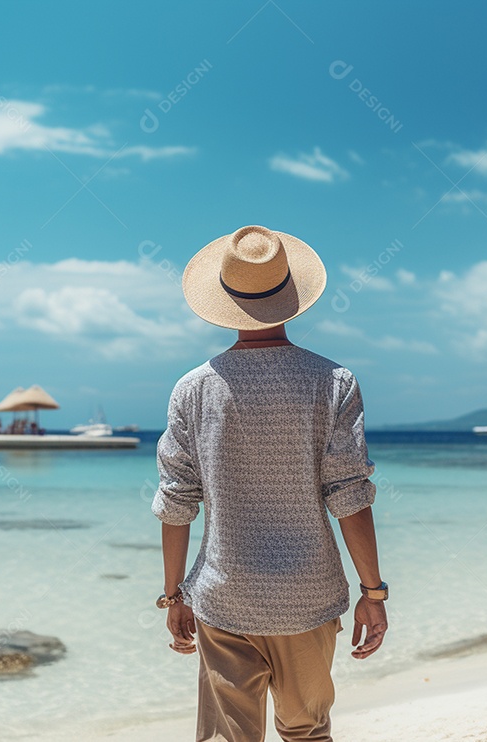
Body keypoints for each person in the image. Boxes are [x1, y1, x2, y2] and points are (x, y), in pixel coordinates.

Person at [152, 225, 388, 742]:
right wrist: (374, 591)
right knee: (306, 731)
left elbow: (176, 503)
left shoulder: (192, 389)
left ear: (224, 298)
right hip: (308, 594)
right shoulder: (333, 381)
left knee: (227, 738)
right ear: (290, 295)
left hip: (225, 593)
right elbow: (349, 495)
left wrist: (173, 597)